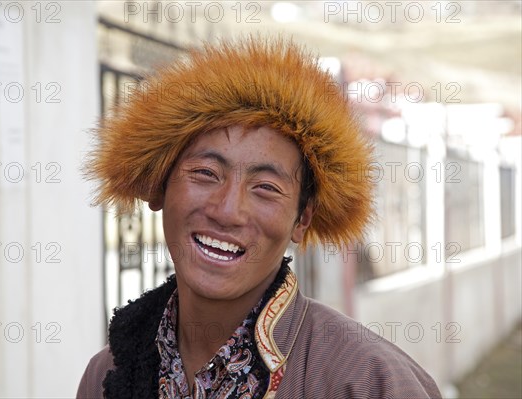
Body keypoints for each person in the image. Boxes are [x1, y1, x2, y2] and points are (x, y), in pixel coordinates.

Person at [78, 37, 442, 399]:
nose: (227, 211)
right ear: (160, 187)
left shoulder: (368, 383)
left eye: (266, 187)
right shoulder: (107, 376)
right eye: (205, 173)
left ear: (302, 219)